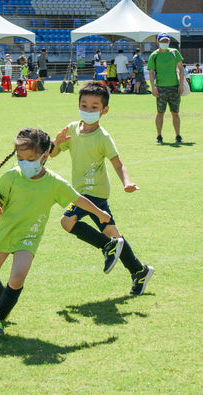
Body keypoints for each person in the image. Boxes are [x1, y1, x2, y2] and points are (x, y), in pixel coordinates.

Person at [0, 128, 112, 335]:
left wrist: (100, 212)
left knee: (17, 277)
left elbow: (78, 198)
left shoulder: (54, 183)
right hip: (4, 234)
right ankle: (5, 298)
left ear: (44, 155)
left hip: (28, 237)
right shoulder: (12, 176)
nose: (24, 163)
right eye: (20, 158)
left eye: (30, 158)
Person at [50, 81, 154, 295]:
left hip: (93, 193)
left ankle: (106, 247)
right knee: (114, 236)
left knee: (67, 221)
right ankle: (140, 270)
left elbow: (118, 163)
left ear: (104, 110)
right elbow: (52, 154)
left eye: (94, 107)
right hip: (81, 191)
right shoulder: (71, 129)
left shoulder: (103, 137)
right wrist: (57, 142)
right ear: (78, 105)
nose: (88, 110)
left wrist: (127, 183)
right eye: (84, 105)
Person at [148, 32, 185, 144]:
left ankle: (178, 135)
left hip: (174, 87)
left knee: (175, 113)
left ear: (169, 42)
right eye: (162, 41)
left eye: (166, 41)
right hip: (161, 88)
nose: (164, 43)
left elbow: (181, 68)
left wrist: (181, 84)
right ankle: (159, 136)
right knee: (160, 113)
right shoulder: (154, 55)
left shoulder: (174, 53)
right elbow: (151, 72)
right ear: (157, 42)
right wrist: (153, 87)